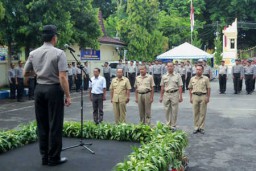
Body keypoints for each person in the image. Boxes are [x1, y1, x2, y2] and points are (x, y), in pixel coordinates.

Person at [24, 25, 71, 166]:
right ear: (53, 37)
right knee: (55, 124)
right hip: (54, 90)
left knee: (42, 124)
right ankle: (54, 157)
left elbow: (25, 74)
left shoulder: (33, 53)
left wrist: (38, 74)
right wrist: (68, 95)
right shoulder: (59, 53)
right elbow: (62, 77)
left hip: (39, 89)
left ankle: (44, 156)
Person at [159, 62, 183, 130]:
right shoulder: (164, 76)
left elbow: (180, 86)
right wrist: (161, 96)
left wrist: (180, 96)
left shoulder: (177, 76)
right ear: (167, 67)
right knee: (166, 110)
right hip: (166, 94)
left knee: (174, 110)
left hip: (175, 93)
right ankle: (168, 123)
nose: (170, 67)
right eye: (168, 66)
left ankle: (173, 124)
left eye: (171, 66)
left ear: (173, 67)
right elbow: (162, 87)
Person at [188, 65, 211, 134]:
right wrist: (190, 97)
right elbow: (190, 88)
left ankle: (201, 127)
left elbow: (208, 88)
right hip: (195, 96)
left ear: (202, 70)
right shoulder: (192, 79)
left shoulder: (206, 78)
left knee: (202, 113)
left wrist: (208, 97)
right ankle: (196, 127)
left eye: (200, 69)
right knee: (195, 113)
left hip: (203, 96)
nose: (198, 71)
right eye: (197, 69)